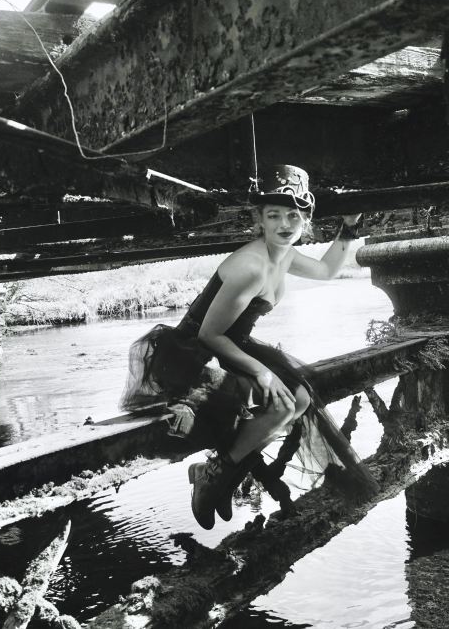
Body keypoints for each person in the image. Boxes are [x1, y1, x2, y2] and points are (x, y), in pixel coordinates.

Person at [120, 164, 377, 529]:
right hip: (191, 355)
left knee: (300, 400)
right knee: (280, 404)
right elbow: (209, 335)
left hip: (230, 343)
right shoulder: (251, 266)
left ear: (305, 219)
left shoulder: (283, 253)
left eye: (293, 216)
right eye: (274, 216)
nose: (285, 225)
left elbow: (326, 271)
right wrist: (262, 372)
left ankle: (219, 474)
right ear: (259, 219)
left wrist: (349, 227)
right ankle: (211, 476)